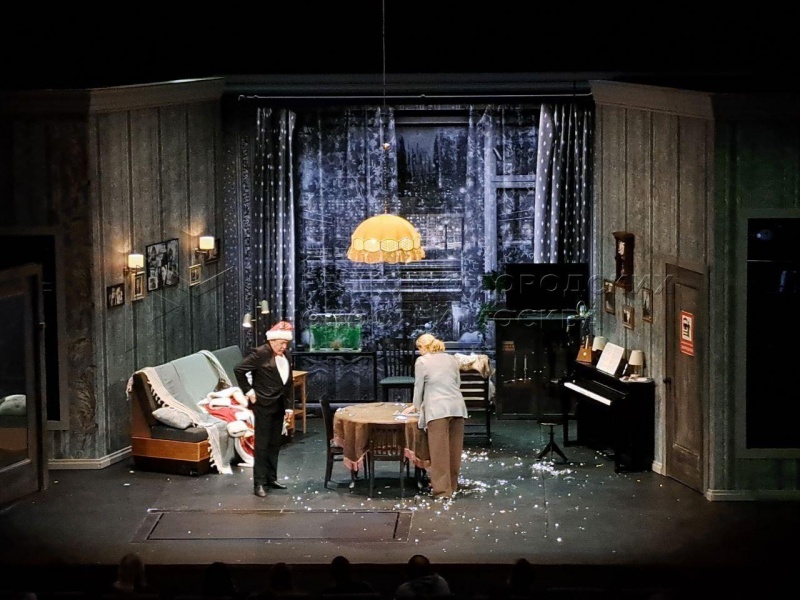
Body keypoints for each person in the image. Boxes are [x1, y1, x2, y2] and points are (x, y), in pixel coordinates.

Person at [402, 333, 468, 500]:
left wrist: (416, 406)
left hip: (437, 410)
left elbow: (418, 387)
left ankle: (442, 491)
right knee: (454, 451)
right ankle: (452, 486)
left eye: (419, 348)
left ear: (423, 347)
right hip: (457, 407)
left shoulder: (422, 361)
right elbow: (457, 383)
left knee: (439, 453)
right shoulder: (452, 359)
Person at [234, 320, 295, 497]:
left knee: (275, 443)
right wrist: (249, 391)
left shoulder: (287, 355)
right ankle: (259, 483)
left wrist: (289, 408)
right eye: (281, 343)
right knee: (262, 444)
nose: (284, 346)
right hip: (264, 405)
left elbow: (288, 383)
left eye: (286, 343)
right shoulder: (260, 353)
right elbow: (239, 369)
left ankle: (271, 478)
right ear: (272, 340)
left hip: (279, 405)